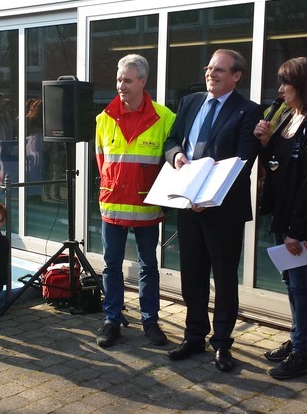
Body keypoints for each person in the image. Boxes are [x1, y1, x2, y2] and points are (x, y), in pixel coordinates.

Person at [163, 49, 261, 372]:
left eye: (219, 70)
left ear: (236, 76)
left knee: (224, 278)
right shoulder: (190, 102)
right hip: (189, 205)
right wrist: (176, 156)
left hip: (222, 210)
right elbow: (172, 140)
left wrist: (211, 193)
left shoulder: (248, 111)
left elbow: (244, 161)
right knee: (192, 275)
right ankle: (194, 336)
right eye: (209, 68)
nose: (211, 74)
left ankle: (222, 344)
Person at [253, 57, 307, 380]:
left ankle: (303, 353)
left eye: (287, 83)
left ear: (304, 85)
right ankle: (297, 337)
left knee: (300, 285)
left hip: (298, 221)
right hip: (281, 214)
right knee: (289, 283)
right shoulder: (288, 118)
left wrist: (296, 231)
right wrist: (266, 142)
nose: (280, 90)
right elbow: (275, 165)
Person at [94, 54, 176, 349]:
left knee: (148, 266)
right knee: (111, 266)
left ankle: (149, 320)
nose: (121, 85)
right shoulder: (103, 119)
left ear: (143, 81)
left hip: (146, 207)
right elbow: (102, 163)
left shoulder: (165, 118)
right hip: (112, 207)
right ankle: (111, 320)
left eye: (127, 80)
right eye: (118, 79)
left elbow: (170, 161)